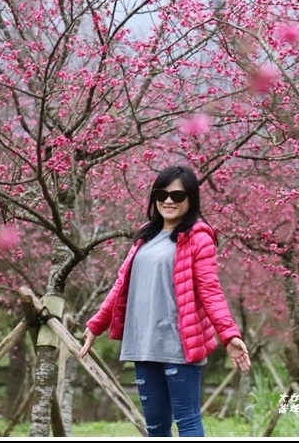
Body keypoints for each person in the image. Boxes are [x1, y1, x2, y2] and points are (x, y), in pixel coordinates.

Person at [79, 165, 251, 437]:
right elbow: (122, 284)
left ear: (191, 199)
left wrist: (229, 335)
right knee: (156, 427)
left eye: (178, 196)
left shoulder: (197, 237)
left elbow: (210, 289)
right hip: (143, 343)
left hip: (179, 345)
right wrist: (96, 325)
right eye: (162, 194)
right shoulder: (145, 235)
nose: (168, 201)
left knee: (187, 421)